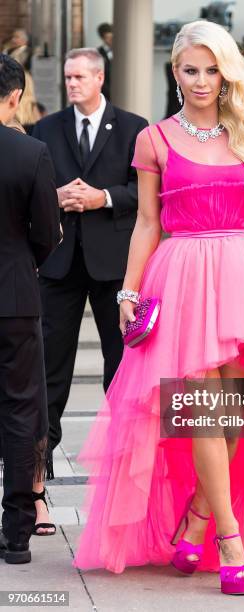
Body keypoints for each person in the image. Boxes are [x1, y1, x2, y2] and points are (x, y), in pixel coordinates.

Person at [73, 21, 244, 595]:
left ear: (227, 72)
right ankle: (229, 539)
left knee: (237, 412)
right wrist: (127, 292)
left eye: (213, 69)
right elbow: (145, 224)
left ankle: (199, 515)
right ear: (174, 72)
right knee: (203, 408)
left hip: (243, 276)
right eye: (192, 69)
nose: (203, 80)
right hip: (182, 276)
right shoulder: (154, 139)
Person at [31, 48, 147, 532]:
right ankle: (36, 490)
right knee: (47, 377)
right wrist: (53, 197)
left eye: (80, 76)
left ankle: (124, 484)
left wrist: (103, 197)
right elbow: (29, 190)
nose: (72, 84)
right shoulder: (46, 128)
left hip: (114, 268)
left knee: (121, 373)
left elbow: (146, 195)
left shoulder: (135, 126)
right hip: (57, 267)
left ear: (101, 77)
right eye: (67, 77)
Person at [0, 53, 60, 564]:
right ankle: (16, 533)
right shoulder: (31, 153)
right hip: (14, 297)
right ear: (15, 97)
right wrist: (25, 261)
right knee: (21, 410)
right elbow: (48, 233)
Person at [97, 23, 113, 100]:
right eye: (107, 37)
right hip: (106, 94)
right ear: (102, 38)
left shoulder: (120, 51)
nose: (110, 40)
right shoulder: (98, 53)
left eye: (111, 37)